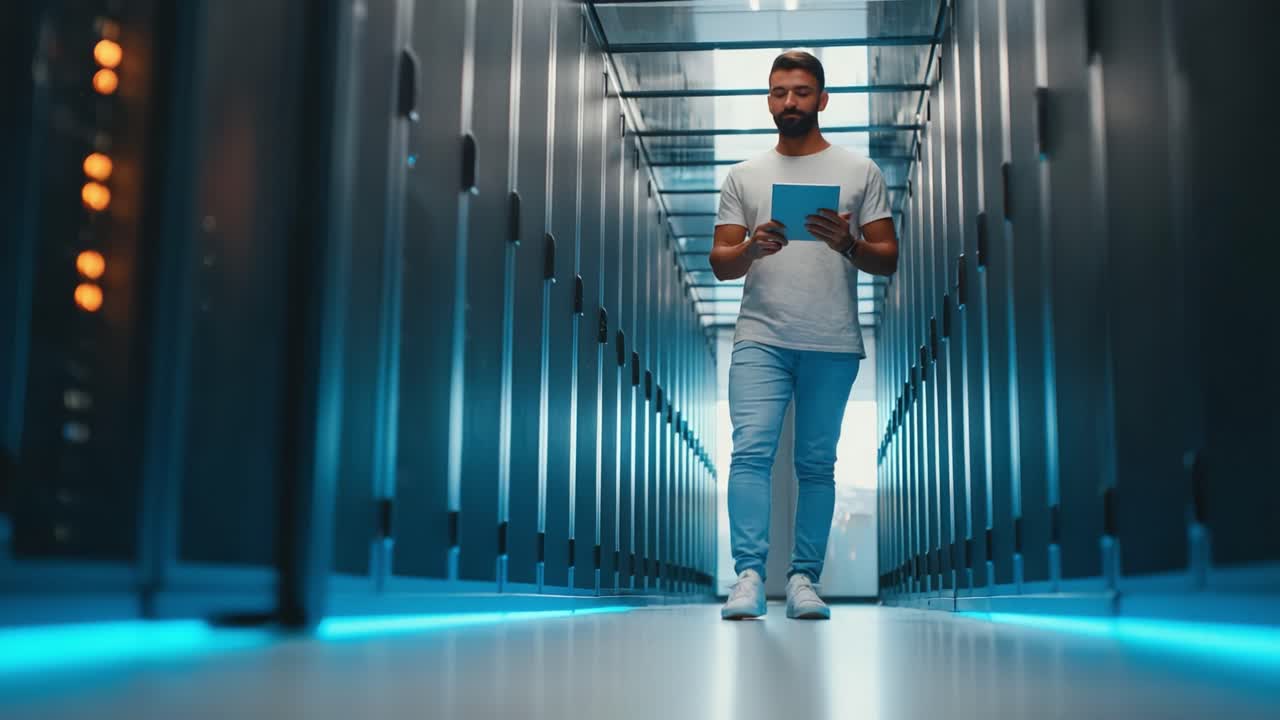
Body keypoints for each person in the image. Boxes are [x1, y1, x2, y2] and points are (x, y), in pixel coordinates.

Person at [711, 50, 899, 620]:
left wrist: (847, 244)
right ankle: (747, 576)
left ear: (822, 99)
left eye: (799, 91)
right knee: (750, 453)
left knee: (817, 464)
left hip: (832, 338)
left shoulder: (859, 171)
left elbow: (887, 258)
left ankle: (802, 580)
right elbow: (721, 264)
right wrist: (751, 247)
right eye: (777, 92)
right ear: (768, 99)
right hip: (760, 336)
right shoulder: (744, 176)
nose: (787, 101)